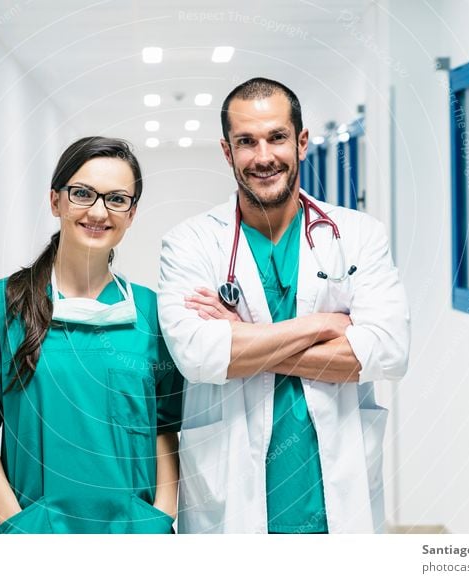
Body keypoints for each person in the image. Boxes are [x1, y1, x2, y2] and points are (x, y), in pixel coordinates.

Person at [157, 78, 410, 534]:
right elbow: (199, 356)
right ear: (226, 150)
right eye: (246, 142)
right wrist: (324, 324)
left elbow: (388, 351)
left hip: (333, 495)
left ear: (302, 141)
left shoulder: (358, 235)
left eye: (276, 137)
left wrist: (241, 338)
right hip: (232, 499)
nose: (263, 156)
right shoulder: (189, 243)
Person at [0, 136, 184, 534]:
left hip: (136, 537)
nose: (99, 211)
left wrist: (161, 515)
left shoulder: (152, 313)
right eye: (82, 194)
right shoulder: (3, 305)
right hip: (37, 534)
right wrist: (12, 519)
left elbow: (163, 426)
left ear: (132, 213)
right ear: (56, 201)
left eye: (117, 199)